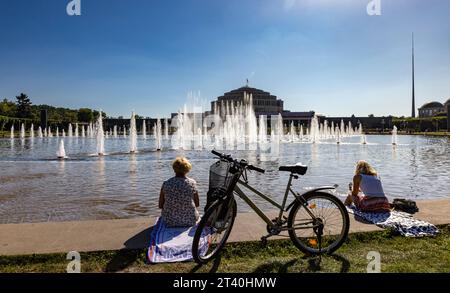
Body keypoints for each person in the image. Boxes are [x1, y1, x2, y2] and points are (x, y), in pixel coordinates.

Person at [159, 157, 200, 227]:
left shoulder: (166, 183)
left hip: (170, 221)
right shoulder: (192, 183)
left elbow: (160, 205)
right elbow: (197, 204)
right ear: (187, 169)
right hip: (190, 220)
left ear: (174, 169)